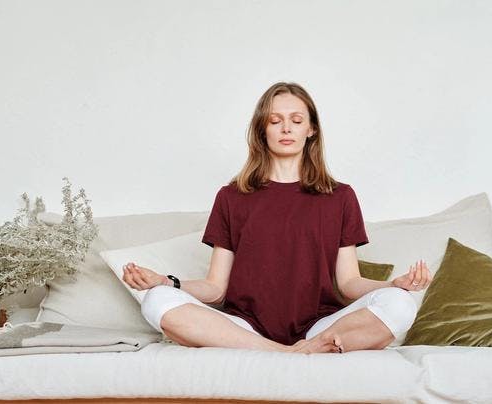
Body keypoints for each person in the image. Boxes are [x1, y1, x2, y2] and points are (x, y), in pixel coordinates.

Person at [122, 82, 432, 354]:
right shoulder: (231, 197)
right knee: (157, 300)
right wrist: (166, 281)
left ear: (311, 130)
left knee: (400, 304)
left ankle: (305, 346)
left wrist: (394, 285)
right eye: (275, 120)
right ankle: (287, 352)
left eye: (296, 120)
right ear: (262, 129)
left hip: (319, 325)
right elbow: (216, 288)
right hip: (245, 327)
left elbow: (349, 283)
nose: (286, 129)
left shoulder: (340, 197)